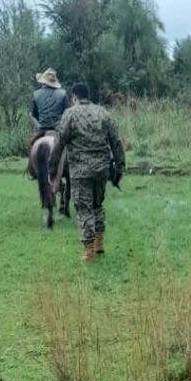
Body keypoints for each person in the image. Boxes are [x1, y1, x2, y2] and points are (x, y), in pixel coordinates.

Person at [49, 83, 126, 262]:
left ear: (74, 98)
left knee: (84, 209)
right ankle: (99, 244)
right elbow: (117, 142)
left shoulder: (70, 114)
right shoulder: (103, 113)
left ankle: (88, 251)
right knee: (97, 205)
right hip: (101, 170)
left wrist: (53, 169)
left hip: (80, 171)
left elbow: (59, 144)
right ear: (88, 96)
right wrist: (120, 168)